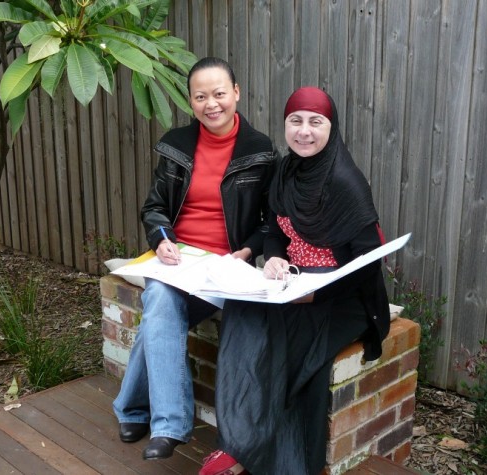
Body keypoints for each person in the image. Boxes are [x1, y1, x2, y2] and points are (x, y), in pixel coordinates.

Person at [199, 87, 391, 475]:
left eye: (315, 122)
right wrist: (273, 259)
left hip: (343, 298)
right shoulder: (286, 172)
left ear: (330, 127)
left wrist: (315, 292)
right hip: (293, 284)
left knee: (294, 339)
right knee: (241, 313)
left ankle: (262, 453)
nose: (304, 131)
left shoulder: (346, 183)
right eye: (295, 121)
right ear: (285, 125)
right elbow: (274, 230)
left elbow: (367, 265)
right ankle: (239, 440)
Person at [112, 57, 277, 460]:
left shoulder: (261, 151)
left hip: (223, 268)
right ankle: (169, 426)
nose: (212, 103)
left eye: (219, 93)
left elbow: (270, 222)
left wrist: (247, 250)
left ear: (236, 93)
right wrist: (162, 237)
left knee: (159, 310)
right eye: (201, 96)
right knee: (162, 300)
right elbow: (154, 207)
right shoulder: (176, 146)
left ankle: (134, 409)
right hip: (175, 261)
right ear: (191, 101)